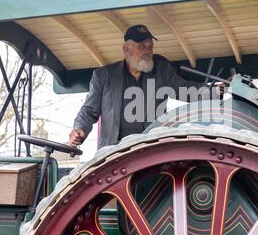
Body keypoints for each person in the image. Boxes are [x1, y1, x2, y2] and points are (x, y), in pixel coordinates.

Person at [69, 24, 223, 149]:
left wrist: (214, 91)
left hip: (151, 151)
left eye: (150, 46)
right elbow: (89, 110)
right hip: (113, 153)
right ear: (126, 49)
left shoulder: (161, 71)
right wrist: (80, 129)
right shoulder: (104, 75)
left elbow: (185, 90)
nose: (148, 51)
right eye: (142, 47)